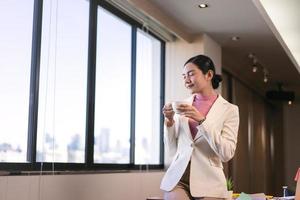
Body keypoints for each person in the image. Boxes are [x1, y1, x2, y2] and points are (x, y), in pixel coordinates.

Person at [160, 55, 240, 200]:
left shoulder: (230, 110)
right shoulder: (182, 105)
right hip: (178, 178)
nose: (186, 80)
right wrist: (169, 120)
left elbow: (227, 153)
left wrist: (202, 120)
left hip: (209, 182)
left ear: (209, 74)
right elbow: (171, 148)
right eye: (184, 76)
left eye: (191, 74)